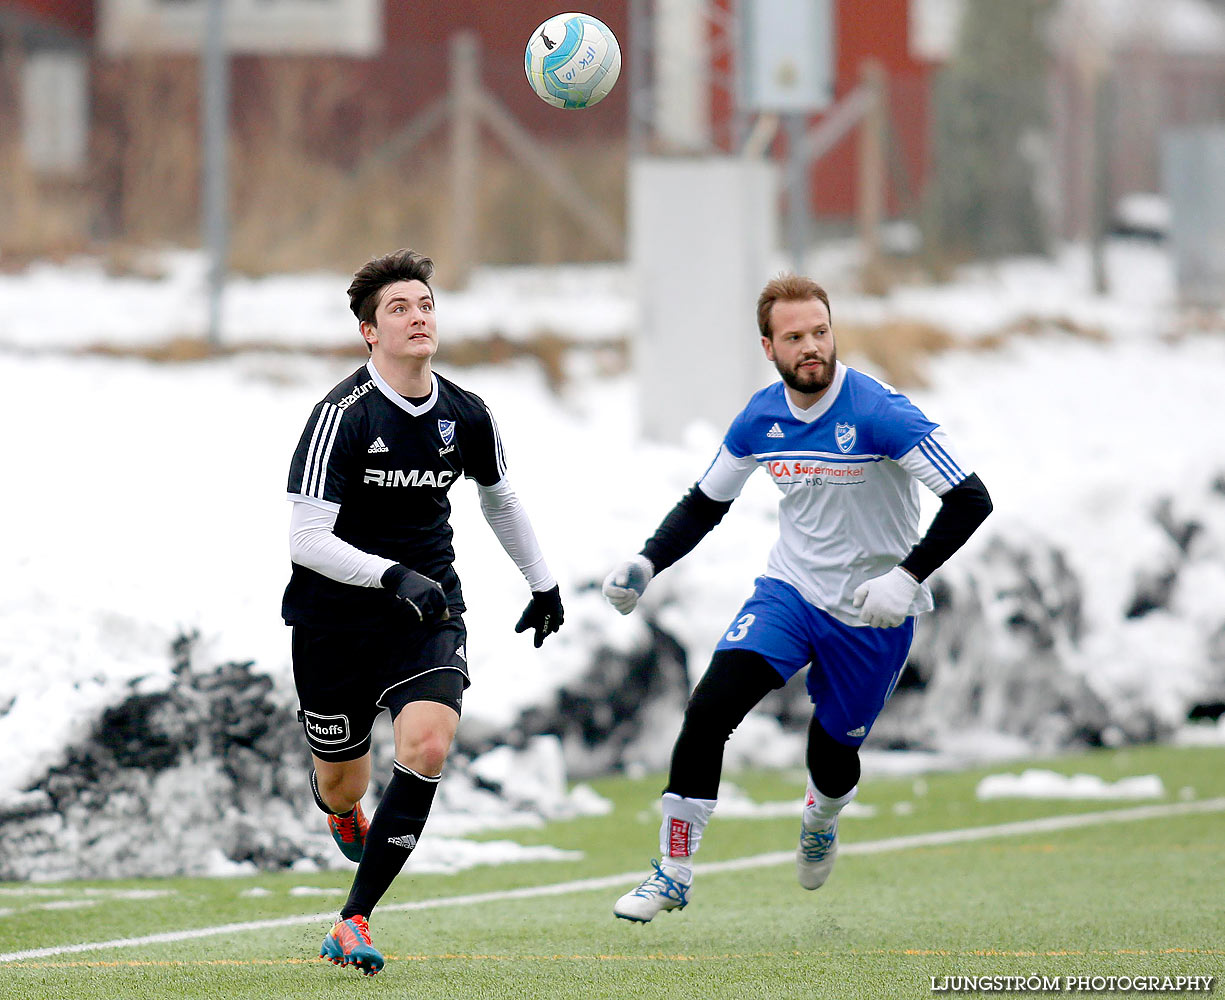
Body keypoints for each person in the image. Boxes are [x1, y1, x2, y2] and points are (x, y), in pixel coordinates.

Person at [603, 274, 992, 922]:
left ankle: (821, 816)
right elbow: (705, 503)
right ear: (767, 347)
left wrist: (905, 577)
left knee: (832, 753)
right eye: (794, 337)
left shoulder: (879, 413)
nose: (810, 346)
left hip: (872, 612)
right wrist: (647, 560)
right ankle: (672, 872)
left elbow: (970, 498)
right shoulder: (760, 418)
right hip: (790, 593)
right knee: (707, 711)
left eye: (819, 332)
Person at [282, 248, 564, 974]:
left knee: (429, 746)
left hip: (427, 611)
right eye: (399, 308)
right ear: (369, 333)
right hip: (333, 625)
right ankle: (343, 810)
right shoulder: (338, 417)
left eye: (426, 304)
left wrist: (541, 582)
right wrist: (389, 575)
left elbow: (498, 498)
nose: (418, 317)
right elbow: (308, 540)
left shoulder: (467, 414)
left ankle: (353, 918)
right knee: (342, 780)